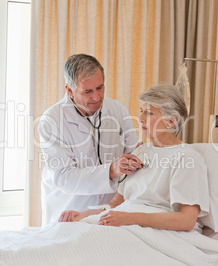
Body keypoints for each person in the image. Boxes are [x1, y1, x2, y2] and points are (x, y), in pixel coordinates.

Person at [59, 84, 209, 231]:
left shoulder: (187, 158)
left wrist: (129, 218)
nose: (140, 118)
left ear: (171, 121)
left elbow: (186, 220)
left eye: (149, 113)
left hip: (156, 231)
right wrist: (84, 215)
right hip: (126, 225)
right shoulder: (139, 152)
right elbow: (115, 204)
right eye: (141, 111)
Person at [39, 54, 140, 226]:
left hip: (109, 213)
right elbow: (63, 177)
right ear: (69, 91)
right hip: (69, 210)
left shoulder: (117, 110)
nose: (96, 97)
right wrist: (110, 170)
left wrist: (142, 155)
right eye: (87, 91)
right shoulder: (52, 120)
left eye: (100, 88)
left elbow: (133, 153)